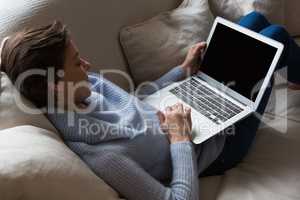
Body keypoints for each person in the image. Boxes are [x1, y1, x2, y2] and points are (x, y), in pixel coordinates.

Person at [0, 11, 299, 200]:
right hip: (214, 145)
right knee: (275, 38)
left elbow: (139, 103)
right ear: (56, 84)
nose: (87, 65)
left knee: (253, 23)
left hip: (187, 106)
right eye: (77, 62)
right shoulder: (102, 157)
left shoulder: (86, 88)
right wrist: (180, 139)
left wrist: (182, 70)